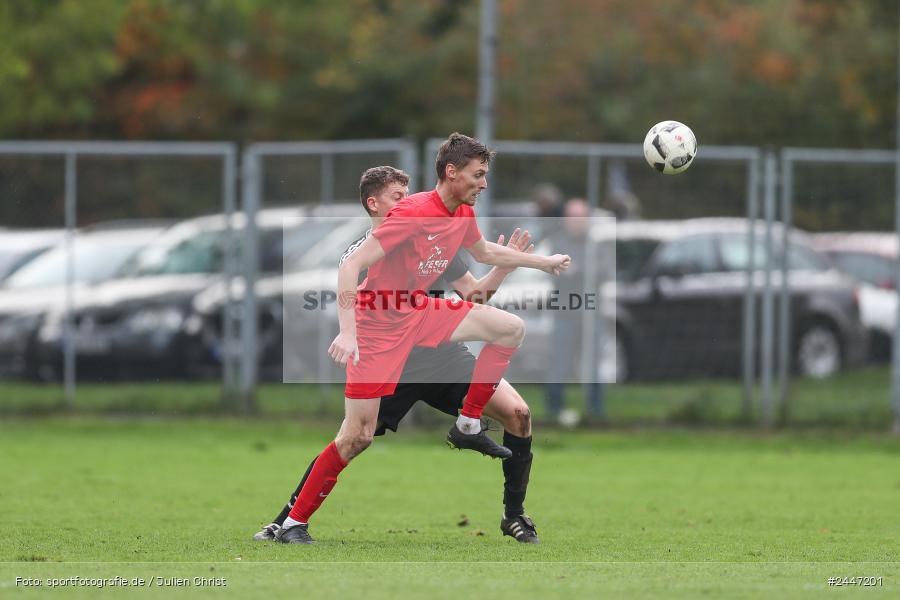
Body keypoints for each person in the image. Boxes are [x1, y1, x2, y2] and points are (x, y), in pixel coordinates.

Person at [274, 133, 571, 544]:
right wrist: (348, 332)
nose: (484, 183)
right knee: (356, 435)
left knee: (510, 332)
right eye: (478, 174)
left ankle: (470, 429)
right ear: (451, 172)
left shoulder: (459, 216)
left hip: (420, 318)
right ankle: (290, 523)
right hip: (379, 331)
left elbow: (483, 256)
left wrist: (541, 261)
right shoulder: (411, 215)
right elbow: (350, 265)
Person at [545, 198, 605, 421]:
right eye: (572, 216)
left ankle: (596, 412)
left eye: (581, 216)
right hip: (564, 313)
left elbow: (603, 270)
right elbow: (557, 271)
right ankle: (553, 410)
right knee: (559, 361)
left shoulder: (596, 244)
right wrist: (581, 271)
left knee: (593, 363)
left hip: (590, 313)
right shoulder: (557, 242)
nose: (576, 221)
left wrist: (580, 270)